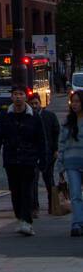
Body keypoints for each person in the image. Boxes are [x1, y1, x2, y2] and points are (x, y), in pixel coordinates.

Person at [0, 84, 47, 235]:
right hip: (11, 159)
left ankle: (27, 222)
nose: (18, 97)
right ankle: (20, 218)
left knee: (27, 190)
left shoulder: (34, 116)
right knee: (15, 191)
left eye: (21, 94)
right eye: (15, 94)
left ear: (25, 97)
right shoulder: (4, 115)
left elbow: (41, 139)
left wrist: (43, 160)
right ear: (11, 97)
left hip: (29, 159)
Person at [58, 89, 83, 238]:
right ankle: (77, 224)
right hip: (71, 163)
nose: (75, 104)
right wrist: (60, 166)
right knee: (75, 195)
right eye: (73, 101)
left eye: (78, 101)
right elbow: (61, 144)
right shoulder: (67, 122)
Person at [31, 93, 60, 216]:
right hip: (33, 154)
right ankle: (34, 208)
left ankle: (53, 206)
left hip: (48, 153)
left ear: (40, 103)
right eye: (32, 104)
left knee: (49, 180)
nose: (34, 106)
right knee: (34, 181)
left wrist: (56, 150)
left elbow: (56, 133)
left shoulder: (50, 116)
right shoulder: (28, 117)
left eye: (36, 103)